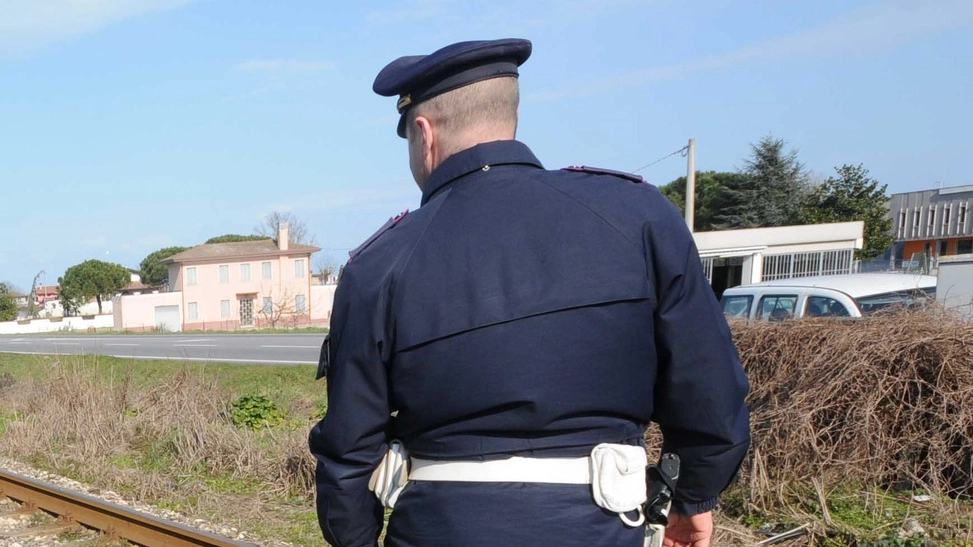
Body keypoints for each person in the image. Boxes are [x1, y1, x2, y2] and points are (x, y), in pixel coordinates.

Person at [309, 38, 750, 547]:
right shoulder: (639, 216)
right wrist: (692, 498)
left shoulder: (379, 265)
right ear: (511, 115)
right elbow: (709, 386)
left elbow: (348, 450)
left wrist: (355, 539)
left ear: (424, 133)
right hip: (602, 527)